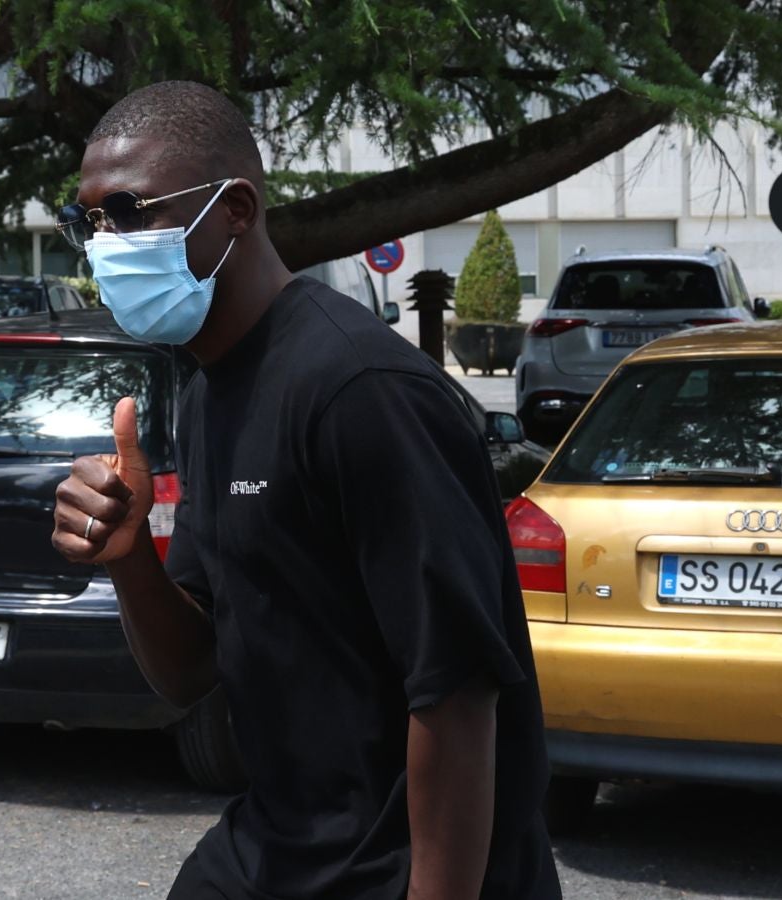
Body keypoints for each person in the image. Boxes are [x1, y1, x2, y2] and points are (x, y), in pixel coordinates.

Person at [50, 81, 560, 899]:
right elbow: (189, 674)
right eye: (90, 220)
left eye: (129, 210)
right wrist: (127, 558)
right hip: (279, 846)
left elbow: (457, 690)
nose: (106, 240)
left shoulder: (362, 390)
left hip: (401, 869)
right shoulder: (208, 388)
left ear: (237, 210)